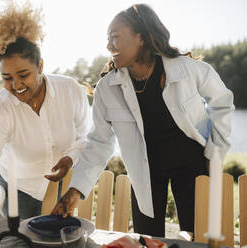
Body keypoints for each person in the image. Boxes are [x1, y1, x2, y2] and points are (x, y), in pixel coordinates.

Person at [51, 4, 234, 237]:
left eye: (115, 37)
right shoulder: (108, 88)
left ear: (141, 37)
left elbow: (222, 102)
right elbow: (99, 142)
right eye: (108, 39)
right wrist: (75, 190)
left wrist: (215, 154)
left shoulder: (187, 69)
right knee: (146, 240)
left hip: (191, 164)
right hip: (145, 171)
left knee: (197, 237)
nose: (108, 46)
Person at [0, 2, 91, 237]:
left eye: (24, 75)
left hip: (64, 185)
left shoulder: (70, 90)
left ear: (40, 65)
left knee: (65, 240)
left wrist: (70, 158)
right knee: (22, 241)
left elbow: (88, 136)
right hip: (19, 189)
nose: (16, 85)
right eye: (7, 78)